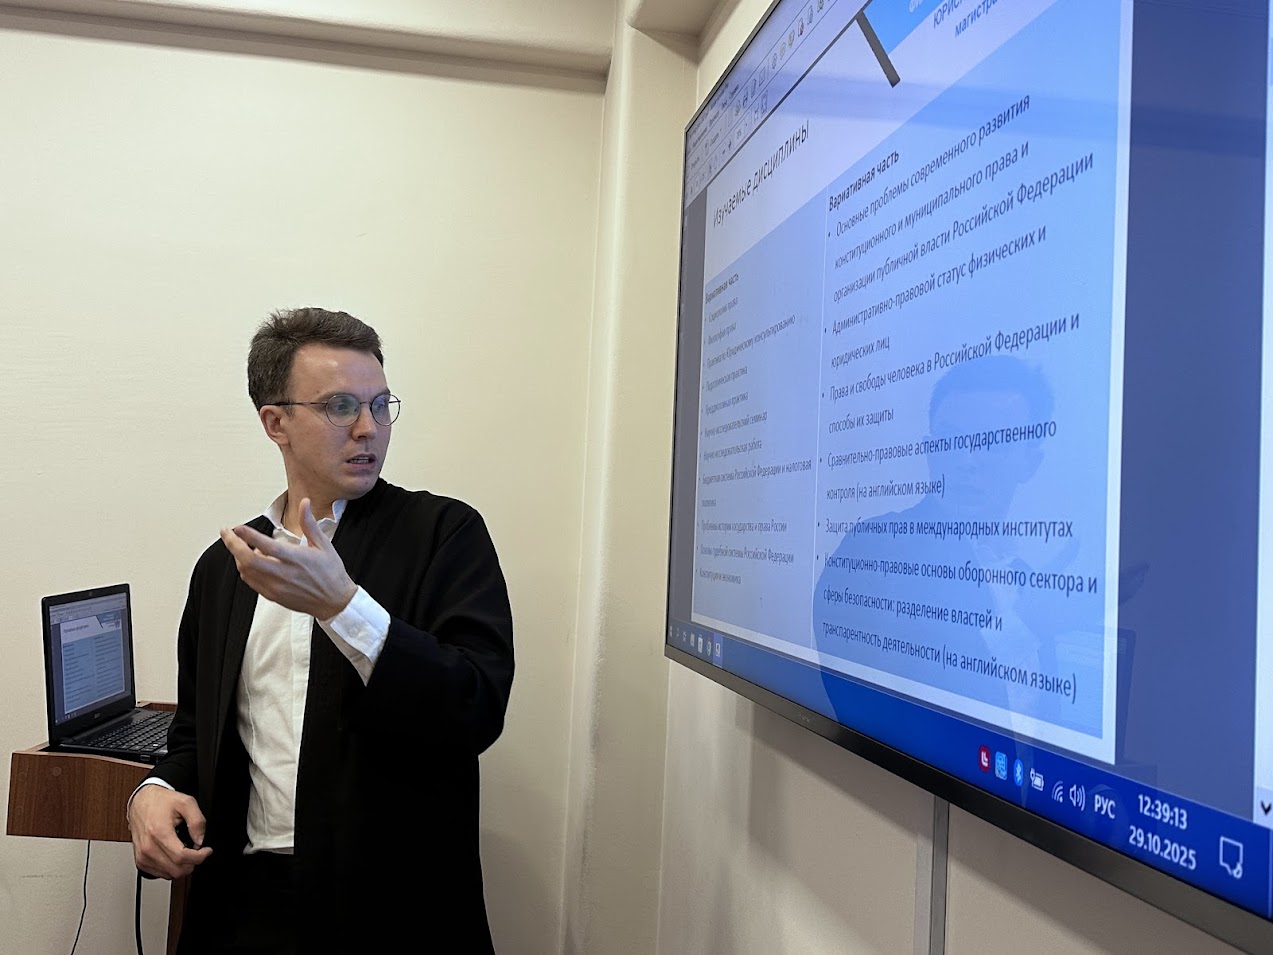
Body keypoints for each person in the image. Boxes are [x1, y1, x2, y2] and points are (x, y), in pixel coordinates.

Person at [127, 307, 515, 953]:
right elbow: (197, 731)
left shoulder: (445, 534)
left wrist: (342, 606)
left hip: (394, 908)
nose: (368, 428)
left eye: (380, 405)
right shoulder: (227, 567)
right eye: (340, 406)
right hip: (246, 903)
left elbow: (476, 708)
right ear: (275, 422)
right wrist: (153, 789)